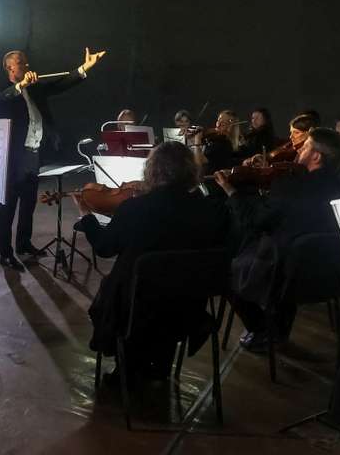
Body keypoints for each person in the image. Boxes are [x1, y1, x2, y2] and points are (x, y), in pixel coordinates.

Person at [72, 141, 228, 381]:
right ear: (190, 172)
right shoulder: (209, 210)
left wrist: (86, 216)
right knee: (163, 281)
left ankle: (129, 369)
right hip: (188, 309)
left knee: (120, 283)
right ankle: (160, 365)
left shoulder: (134, 209)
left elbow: (104, 248)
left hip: (137, 310)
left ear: (152, 171)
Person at [216, 127, 340, 352]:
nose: (298, 150)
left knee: (226, 270)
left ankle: (263, 329)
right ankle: (279, 330)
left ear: (316, 156)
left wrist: (231, 191)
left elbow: (255, 221)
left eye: (304, 147)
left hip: (289, 279)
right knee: (289, 252)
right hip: (334, 276)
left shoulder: (291, 186)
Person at [0, 46, 107, 270]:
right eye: (21, 63)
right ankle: (5, 253)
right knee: (7, 207)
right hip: (13, 157)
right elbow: (0, 99)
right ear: (10, 68)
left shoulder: (35, 88)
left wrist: (84, 68)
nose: (27, 66)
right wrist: (20, 86)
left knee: (28, 203)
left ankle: (23, 244)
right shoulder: (4, 90)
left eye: (26, 62)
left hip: (33, 153)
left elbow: (60, 84)